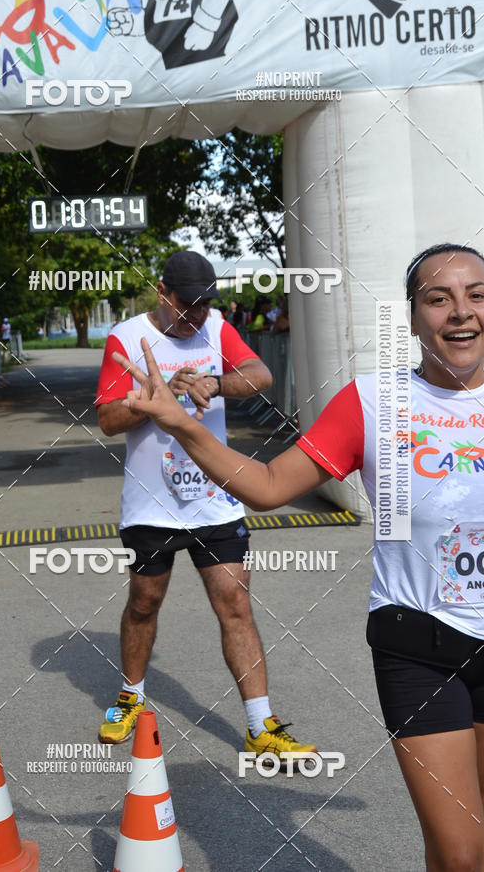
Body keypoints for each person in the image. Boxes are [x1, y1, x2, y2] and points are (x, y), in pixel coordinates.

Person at [113, 243, 484, 871]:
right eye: (438, 298)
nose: (461, 312)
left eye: (476, 295)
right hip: (421, 644)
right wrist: (184, 426)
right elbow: (266, 486)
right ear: (412, 316)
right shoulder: (373, 402)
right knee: (462, 852)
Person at [95, 249, 317, 761]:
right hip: (151, 505)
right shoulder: (127, 338)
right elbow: (107, 420)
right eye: (186, 305)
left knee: (235, 603)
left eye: (204, 305)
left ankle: (260, 725)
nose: (196, 315)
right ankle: (130, 697)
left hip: (217, 501)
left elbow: (260, 375)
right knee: (144, 603)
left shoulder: (215, 328)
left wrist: (217, 382)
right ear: (162, 293)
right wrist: (153, 401)